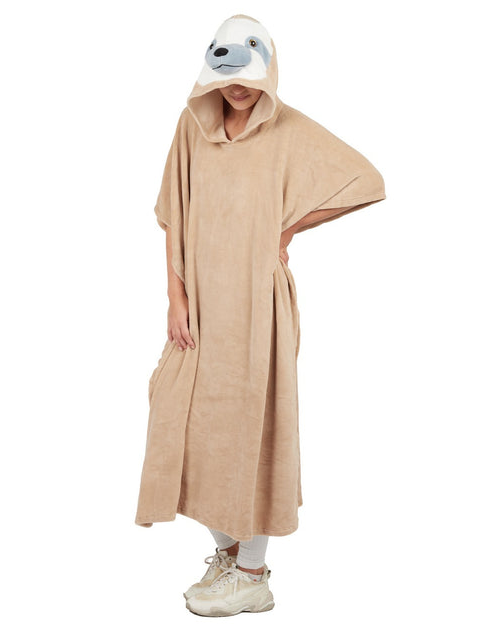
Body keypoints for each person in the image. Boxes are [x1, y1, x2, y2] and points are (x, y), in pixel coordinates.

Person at [135, 14, 386, 617]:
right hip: (200, 300)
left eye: (250, 77)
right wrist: (175, 296)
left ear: (268, 71)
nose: (238, 88)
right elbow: (173, 214)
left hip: (257, 302)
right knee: (182, 417)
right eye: (228, 77)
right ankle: (228, 555)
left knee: (253, 424)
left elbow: (367, 180)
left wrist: (288, 227)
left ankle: (252, 573)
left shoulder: (289, 129)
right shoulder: (192, 126)